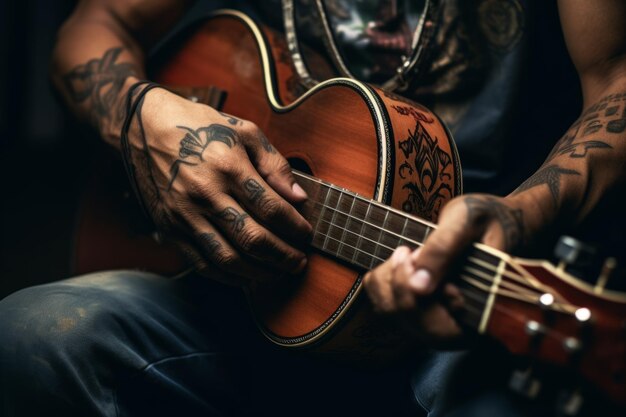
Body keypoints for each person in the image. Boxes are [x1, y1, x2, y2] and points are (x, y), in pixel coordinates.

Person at [1, 0, 625, 416]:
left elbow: (617, 77)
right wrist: (141, 121)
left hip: (459, 292)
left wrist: (522, 214)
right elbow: (93, 25)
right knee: (30, 332)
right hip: (240, 293)